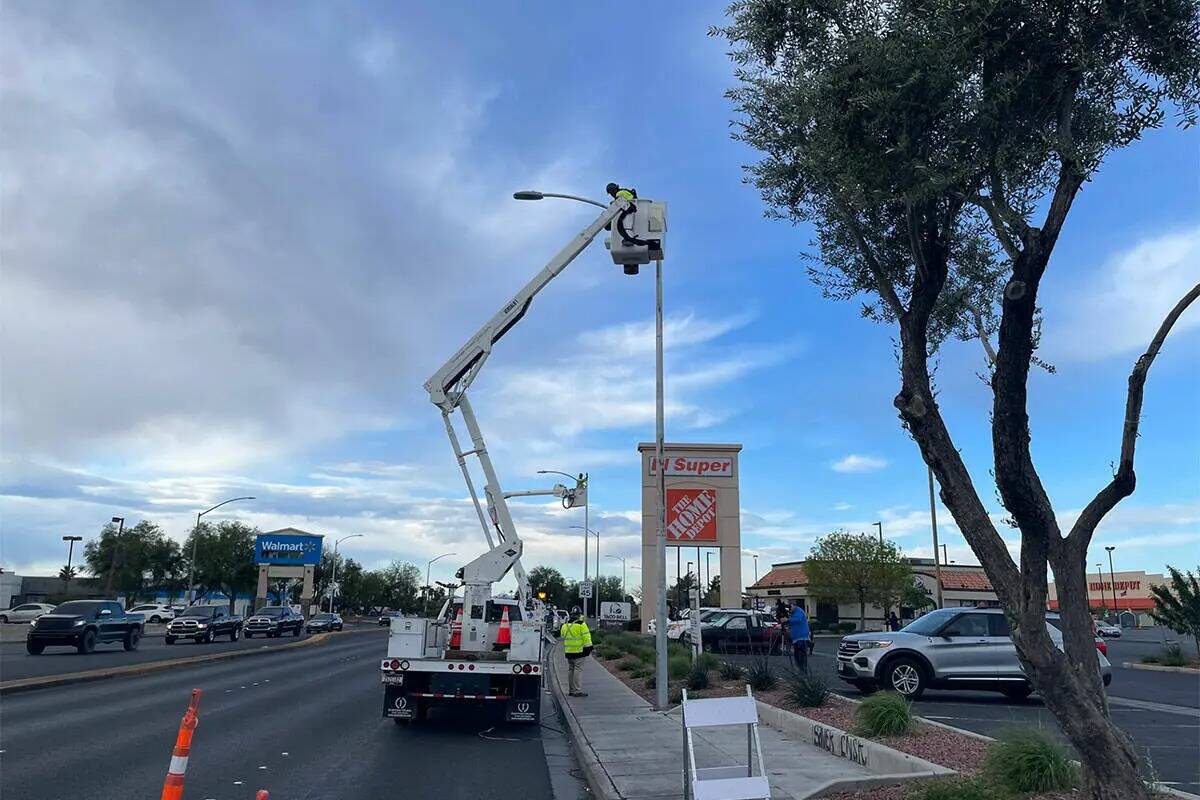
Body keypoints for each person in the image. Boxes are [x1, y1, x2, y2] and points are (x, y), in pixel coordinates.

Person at [560, 606, 593, 697]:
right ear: (579, 615)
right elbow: (587, 638)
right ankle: (577, 690)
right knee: (577, 670)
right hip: (579, 652)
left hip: (568, 652)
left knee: (571, 670)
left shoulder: (565, 625)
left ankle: (571, 690)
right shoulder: (581, 624)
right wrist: (589, 648)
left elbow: (562, 636)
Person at [788, 601, 810, 673]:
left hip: (801, 639)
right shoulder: (793, 613)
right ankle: (800, 672)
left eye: (790, 606)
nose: (789, 609)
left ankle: (803, 673)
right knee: (797, 658)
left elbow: (798, 620)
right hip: (796, 639)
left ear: (794, 605)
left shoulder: (799, 611)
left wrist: (787, 620)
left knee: (801, 658)